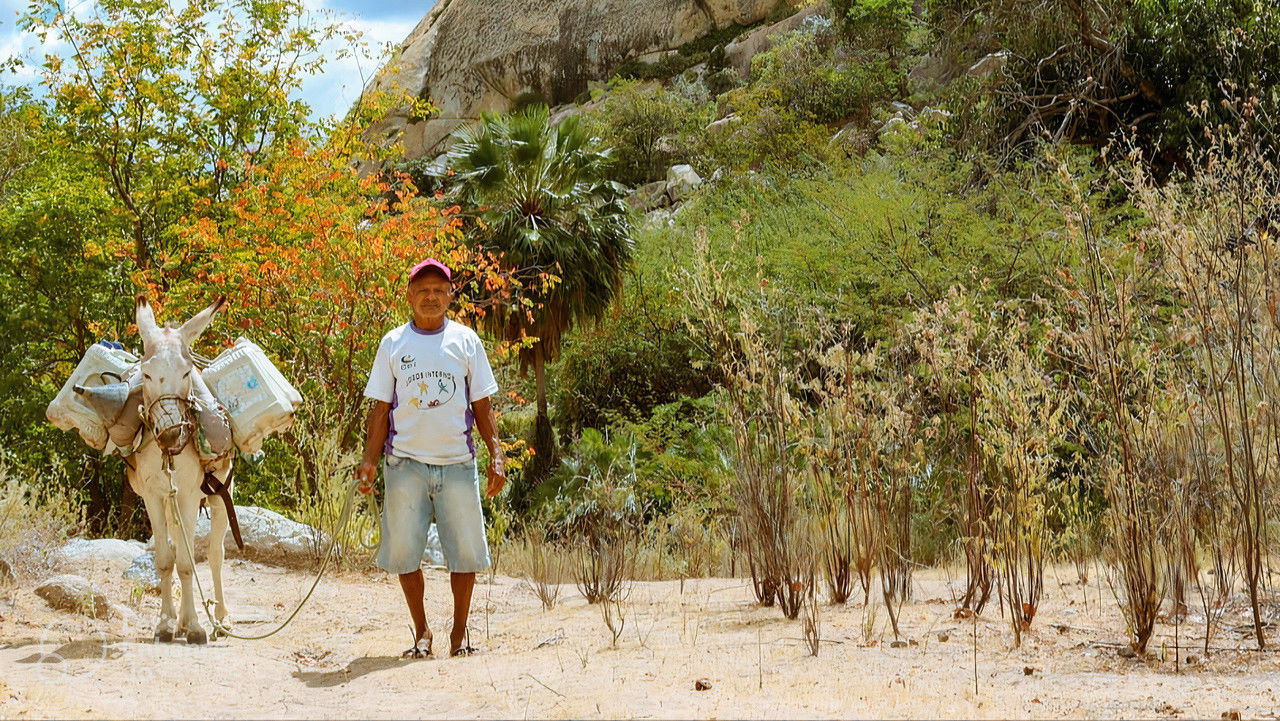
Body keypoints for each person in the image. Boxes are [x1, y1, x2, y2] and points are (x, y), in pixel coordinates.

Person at [354, 258, 506, 658]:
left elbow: (483, 405)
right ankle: (422, 632)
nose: (431, 297)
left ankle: (459, 633)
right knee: (404, 553)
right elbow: (380, 409)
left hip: (457, 462)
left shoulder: (466, 341)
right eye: (423, 290)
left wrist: (496, 453)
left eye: (439, 290)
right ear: (409, 296)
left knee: (465, 554)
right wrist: (369, 461)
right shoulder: (393, 344)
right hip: (405, 464)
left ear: (451, 296)